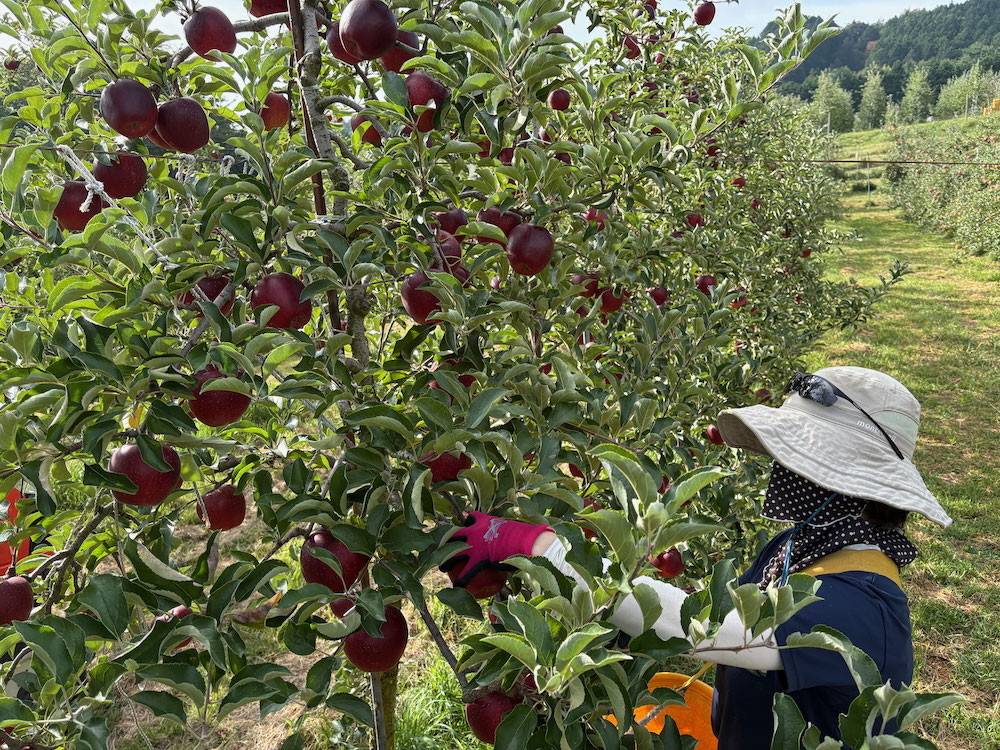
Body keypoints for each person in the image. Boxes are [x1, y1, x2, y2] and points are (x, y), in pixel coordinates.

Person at [441, 366, 952, 748]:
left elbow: (719, 634)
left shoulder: (867, 607)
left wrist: (543, 548)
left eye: (801, 461)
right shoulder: (800, 546)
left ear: (852, 484)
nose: (782, 469)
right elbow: (713, 617)